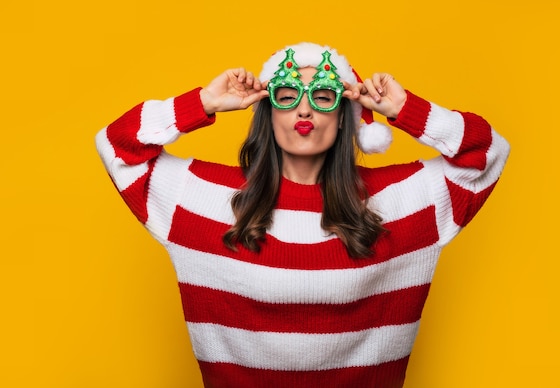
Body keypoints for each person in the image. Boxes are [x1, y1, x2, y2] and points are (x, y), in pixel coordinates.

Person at [96, 42, 510, 387]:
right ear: (267, 110)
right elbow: (116, 147)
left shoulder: (403, 198)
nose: (305, 110)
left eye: (324, 96)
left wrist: (404, 107)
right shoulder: (202, 198)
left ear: (344, 116)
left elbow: (489, 153)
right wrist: (202, 101)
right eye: (288, 95)